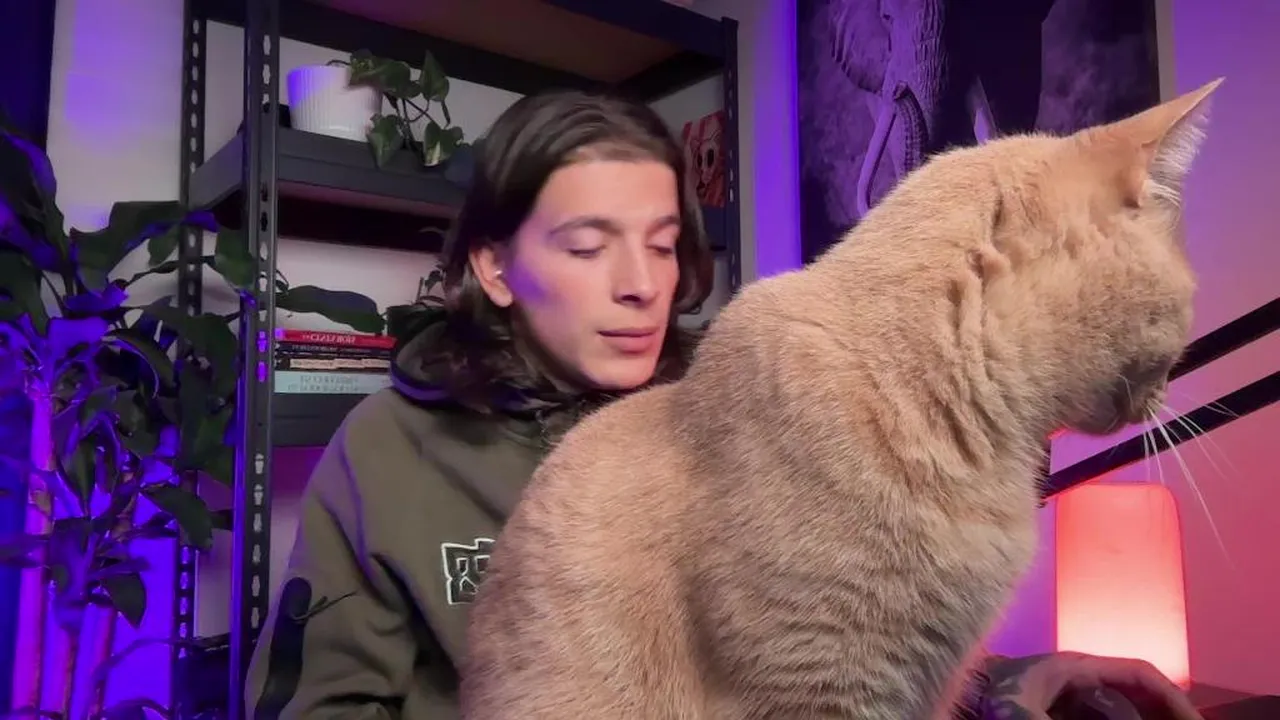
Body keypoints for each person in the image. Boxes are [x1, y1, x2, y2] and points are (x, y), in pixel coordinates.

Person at [243, 90, 1201, 720]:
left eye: (663, 246)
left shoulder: (750, 401)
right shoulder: (391, 446)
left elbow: (840, 664)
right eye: (589, 246)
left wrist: (1016, 682)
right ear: (494, 267)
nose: (640, 285)